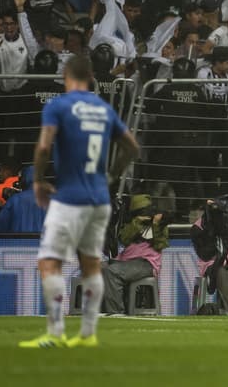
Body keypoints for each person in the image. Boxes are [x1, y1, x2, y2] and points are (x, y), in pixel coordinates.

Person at [18, 55, 139, 349]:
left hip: (69, 197)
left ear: (66, 76)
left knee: (50, 261)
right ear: (91, 78)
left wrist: (38, 181)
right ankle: (87, 333)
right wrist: (112, 176)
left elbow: (44, 146)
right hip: (99, 198)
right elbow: (132, 147)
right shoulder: (103, 108)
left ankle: (56, 331)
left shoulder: (59, 105)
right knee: (91, 263)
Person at [100, 194, 169, 313]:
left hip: (147, 263)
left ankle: (115, 313)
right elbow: (124, 240)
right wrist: (137, 222)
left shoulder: (160, 224)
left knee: (112, 271)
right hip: (126, 261)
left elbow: (160, 245)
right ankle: (100, 311)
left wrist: (155, 224)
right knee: (99, 268)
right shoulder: (131, 223)